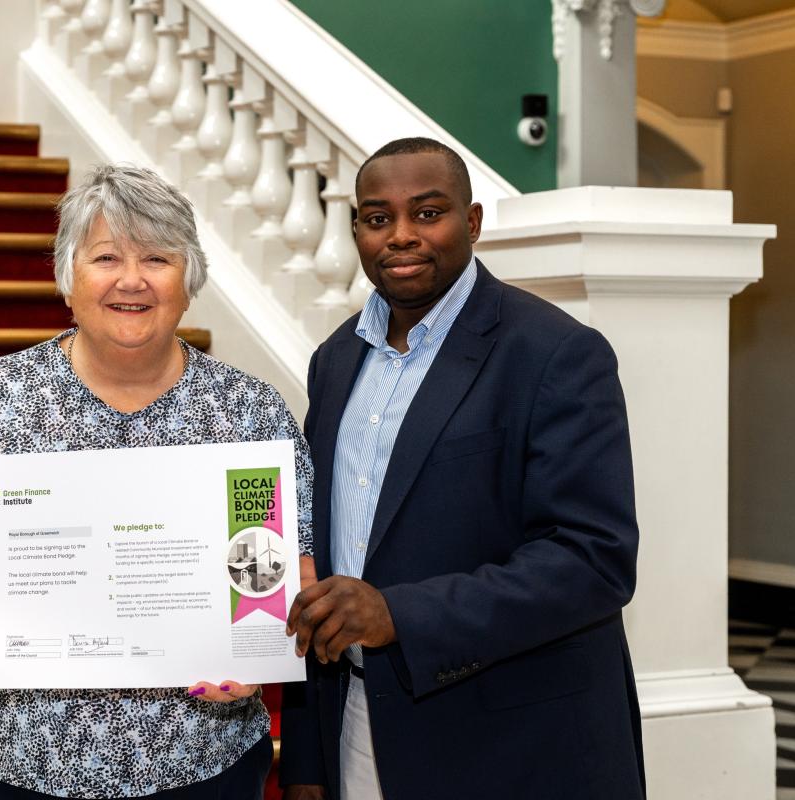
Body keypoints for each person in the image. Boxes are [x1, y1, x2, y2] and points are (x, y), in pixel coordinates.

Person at [0, 164, 314, 799]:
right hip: (13, 766)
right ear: (68, 279)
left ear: (188, 282)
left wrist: (264, 647)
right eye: (106, 257)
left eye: (157, 259)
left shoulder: (249, 413)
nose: (131, 280)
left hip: (201, 766)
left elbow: (292, 569)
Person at [278, 138, 645, 799]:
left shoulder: (555, 353)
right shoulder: (335, 361)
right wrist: (307, 758)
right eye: (377, 217)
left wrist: (400, 615)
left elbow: (595, 561)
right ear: (357, 229)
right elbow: (318, 564)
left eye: (428, 212)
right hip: (359, 725)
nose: (401, 237)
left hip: (509, 743)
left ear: (471, 223)